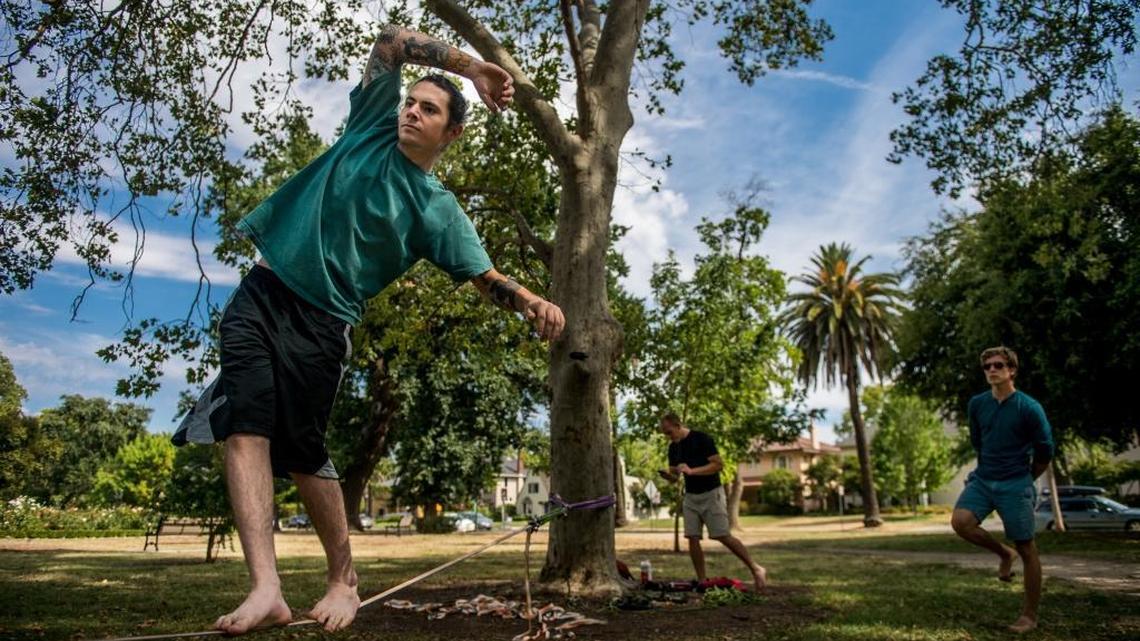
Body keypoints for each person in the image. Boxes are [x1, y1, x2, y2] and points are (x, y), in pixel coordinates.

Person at [173, 24, 565, 635]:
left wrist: (531, 300)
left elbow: (484, 277)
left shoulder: (438, 210)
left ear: (451, 132)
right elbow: (389, 41)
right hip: (262, 290)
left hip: (324, 324)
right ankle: (266, 587)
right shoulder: (370, 128)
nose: (411, 110)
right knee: (244, 425)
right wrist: (473, 67)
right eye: (411, 101)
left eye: (428, 109)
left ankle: (343, 579)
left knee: (303, 452)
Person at [950, 346, 1054, 633]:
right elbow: (978, 441)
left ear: (1012, 370)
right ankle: (1003, 554)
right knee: (961, 522)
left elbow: (1045, 450)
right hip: (983, 478)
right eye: (987, 366)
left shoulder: (1029, 408)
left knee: (1027, 547)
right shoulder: (977, 404)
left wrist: (1025, 478)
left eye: (998, 365)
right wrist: (988, 470)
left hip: (1015, 481)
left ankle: (1029, 616)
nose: (992, 370)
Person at [657, 413, 767, 591]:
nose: (668, 437)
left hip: (711, 494)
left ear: (678, 425)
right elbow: (675, 477)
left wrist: (692, 471)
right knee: (692, 537)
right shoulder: (673, 448)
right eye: (665, 434)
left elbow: (718, 465)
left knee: (722, 535)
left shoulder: (701, 439)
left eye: (669, 432)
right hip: (691, 497)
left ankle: (756, 568)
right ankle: (702, 582)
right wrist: (668, 475)